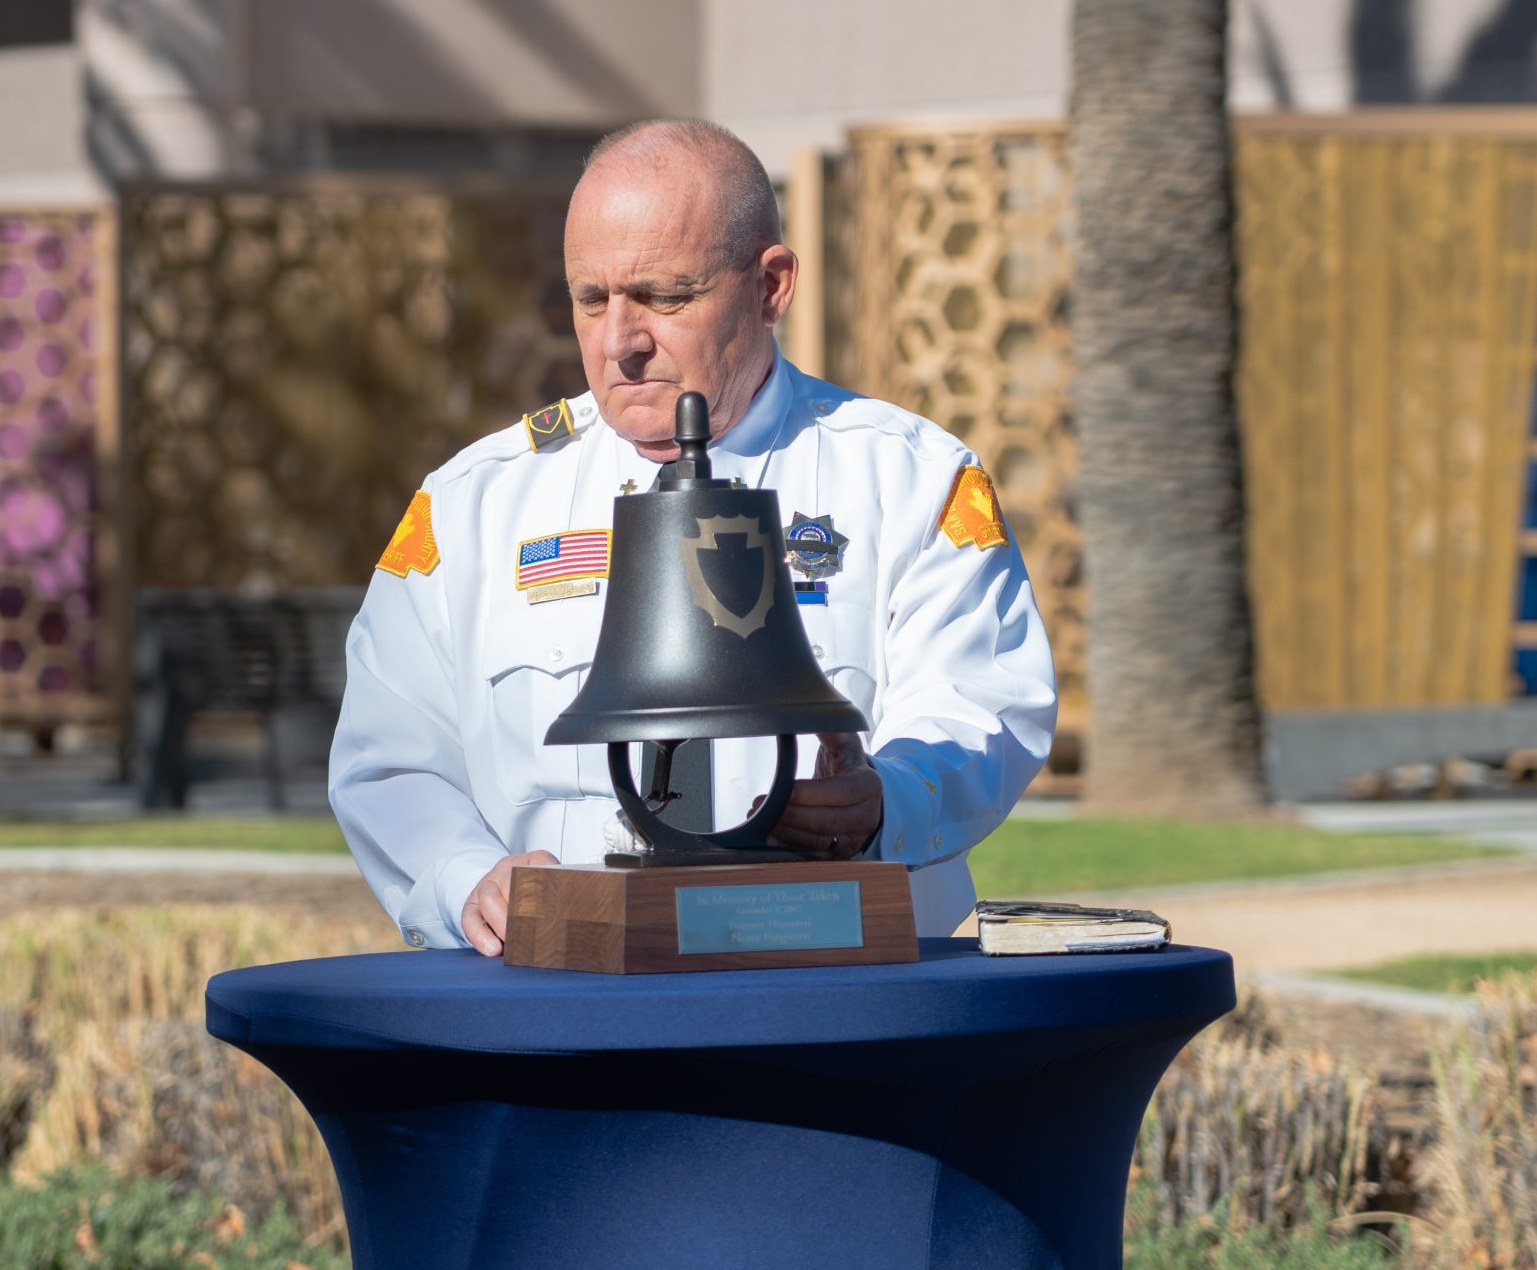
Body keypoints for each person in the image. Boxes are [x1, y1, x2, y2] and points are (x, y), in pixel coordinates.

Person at [329, 118, 1057, 952]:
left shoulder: (908, 480)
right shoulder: (477, 504)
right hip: (562, 984)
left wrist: (888, 799)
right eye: (591, 299)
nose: (620, 343)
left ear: (771, 286)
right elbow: (390, 750)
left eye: (665, 297)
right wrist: (467, 878)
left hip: (836, 988)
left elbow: (983, 701)